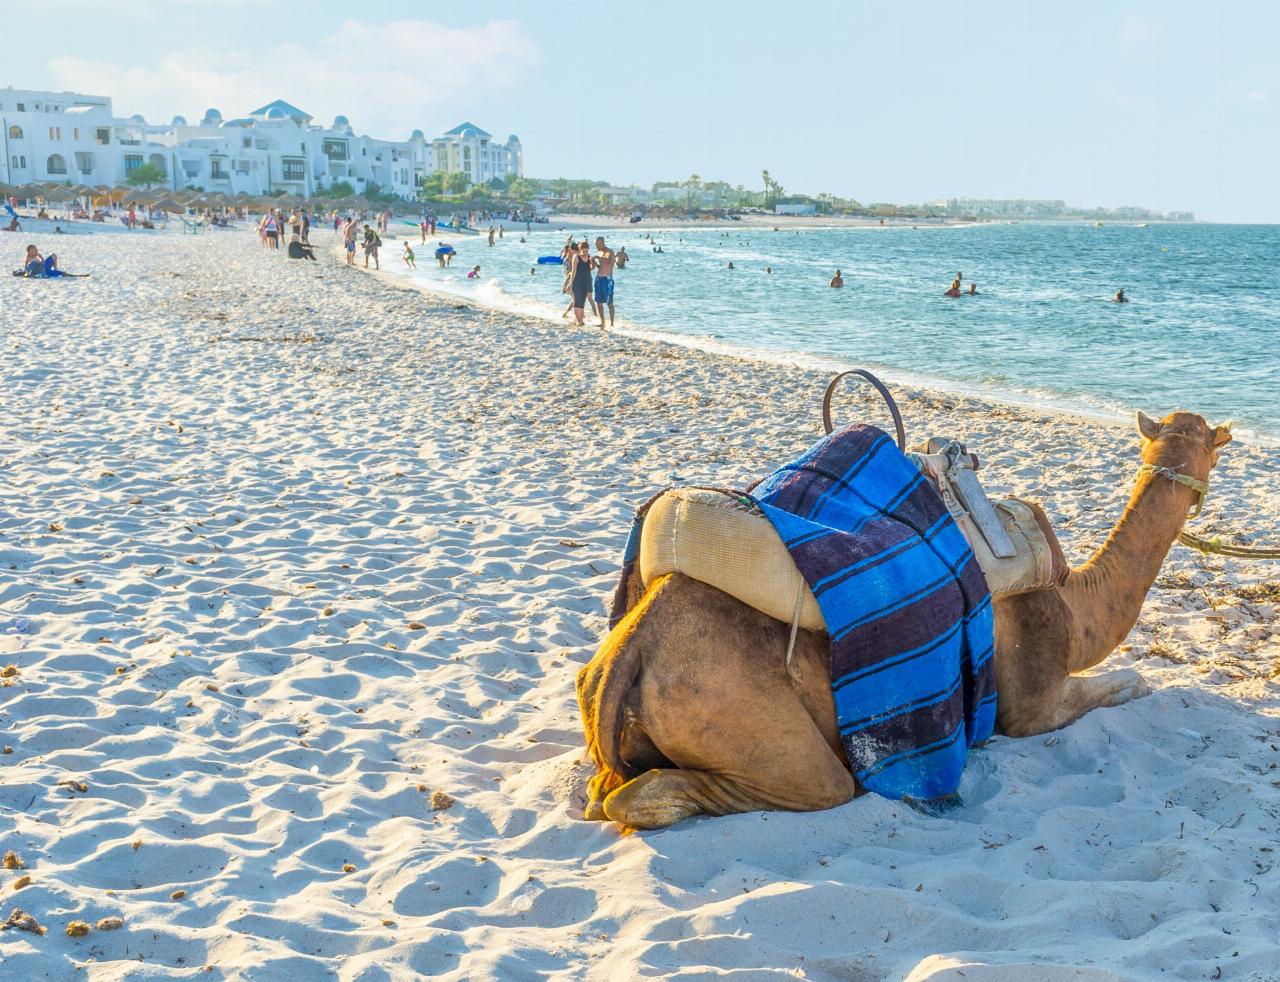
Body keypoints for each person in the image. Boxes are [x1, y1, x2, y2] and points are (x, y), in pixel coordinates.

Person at [593, 237, 617, 329]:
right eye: (596, 245)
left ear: (602, 243)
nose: (597, 247)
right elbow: (601, 267)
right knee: (599, 302)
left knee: (609, 303)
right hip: (599, 278)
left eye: (598, 245)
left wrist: (598, 258)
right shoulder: (600, 253)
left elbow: (609, 264)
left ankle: (612, 323)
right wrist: (595, 262)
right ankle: (602, 322)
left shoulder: (610, 252)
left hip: (607, 279)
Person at [569, 240, 594, 325]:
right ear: (580, 249)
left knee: (582, 301)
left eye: (587, 251)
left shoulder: (589, 257)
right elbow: (573, 271)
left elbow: (590, 269)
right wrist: (570, 283)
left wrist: (593, 262)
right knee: (577, 301)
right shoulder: (576, 257)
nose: (585, 253)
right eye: (584, 251)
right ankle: (579, 320)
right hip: (577, 282)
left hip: (586, 282)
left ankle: (580, 319)